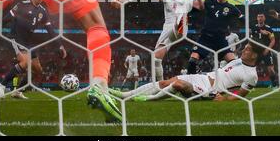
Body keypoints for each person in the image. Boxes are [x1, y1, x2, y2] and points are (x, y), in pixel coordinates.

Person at [110, 42, 262, 102]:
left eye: (248, 50)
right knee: (165, 82)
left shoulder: (251, 75)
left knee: (178, 85)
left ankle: (148, 99)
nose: (244, 50)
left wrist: (225, 99)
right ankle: (125, 95)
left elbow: (241, 95)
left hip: (210, 90)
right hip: (203, 77)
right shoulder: (237, 60)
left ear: (254, 55)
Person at [0, 0, 66, 99]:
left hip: (28, 42)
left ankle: (18, 91)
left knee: (38, 70)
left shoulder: (43, 11)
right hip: (16, 38)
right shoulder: (22, 5)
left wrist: (60, 45)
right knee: (25, 62)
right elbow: (6, 19)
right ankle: (1, 85)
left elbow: (50, 30)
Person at [137, 0, 193, 81]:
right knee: (156, 59)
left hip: (179, 29)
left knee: (180, 17)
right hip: (167, 30)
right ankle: (161, 83)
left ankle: (181, 20)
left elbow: (198, 5)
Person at [188, 0, 243, 74]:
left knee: (234, 64)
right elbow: (201, 7)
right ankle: (191, 83)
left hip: (220, 39)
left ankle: (236, 84)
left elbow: (242, 17)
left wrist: (249, 26)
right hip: (205, 38)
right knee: (192, 61)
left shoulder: (231, 8)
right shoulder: (210, 2)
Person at [251, 13, 277, 88]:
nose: (260, 18)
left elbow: (273, 40)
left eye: (261, 16)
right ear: (257, 18)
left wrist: (267, 49)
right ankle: (250, 85)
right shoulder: (254, 28)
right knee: (251, 67)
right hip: (256, 51)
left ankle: (274, 85)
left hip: (266, 51)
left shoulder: (268, 28)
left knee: (270, 69)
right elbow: (251, 39)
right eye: (258, 17)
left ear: (264, 18)